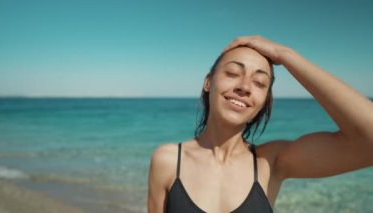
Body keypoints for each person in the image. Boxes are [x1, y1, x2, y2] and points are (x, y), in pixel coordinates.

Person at [147, 35, 373, 213]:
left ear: (264, 99)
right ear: (208, 82)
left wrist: (286, 55)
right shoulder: (168, 161)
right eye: (233, 72)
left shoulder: (270, 163)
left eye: (259, 82)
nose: (245, 86)